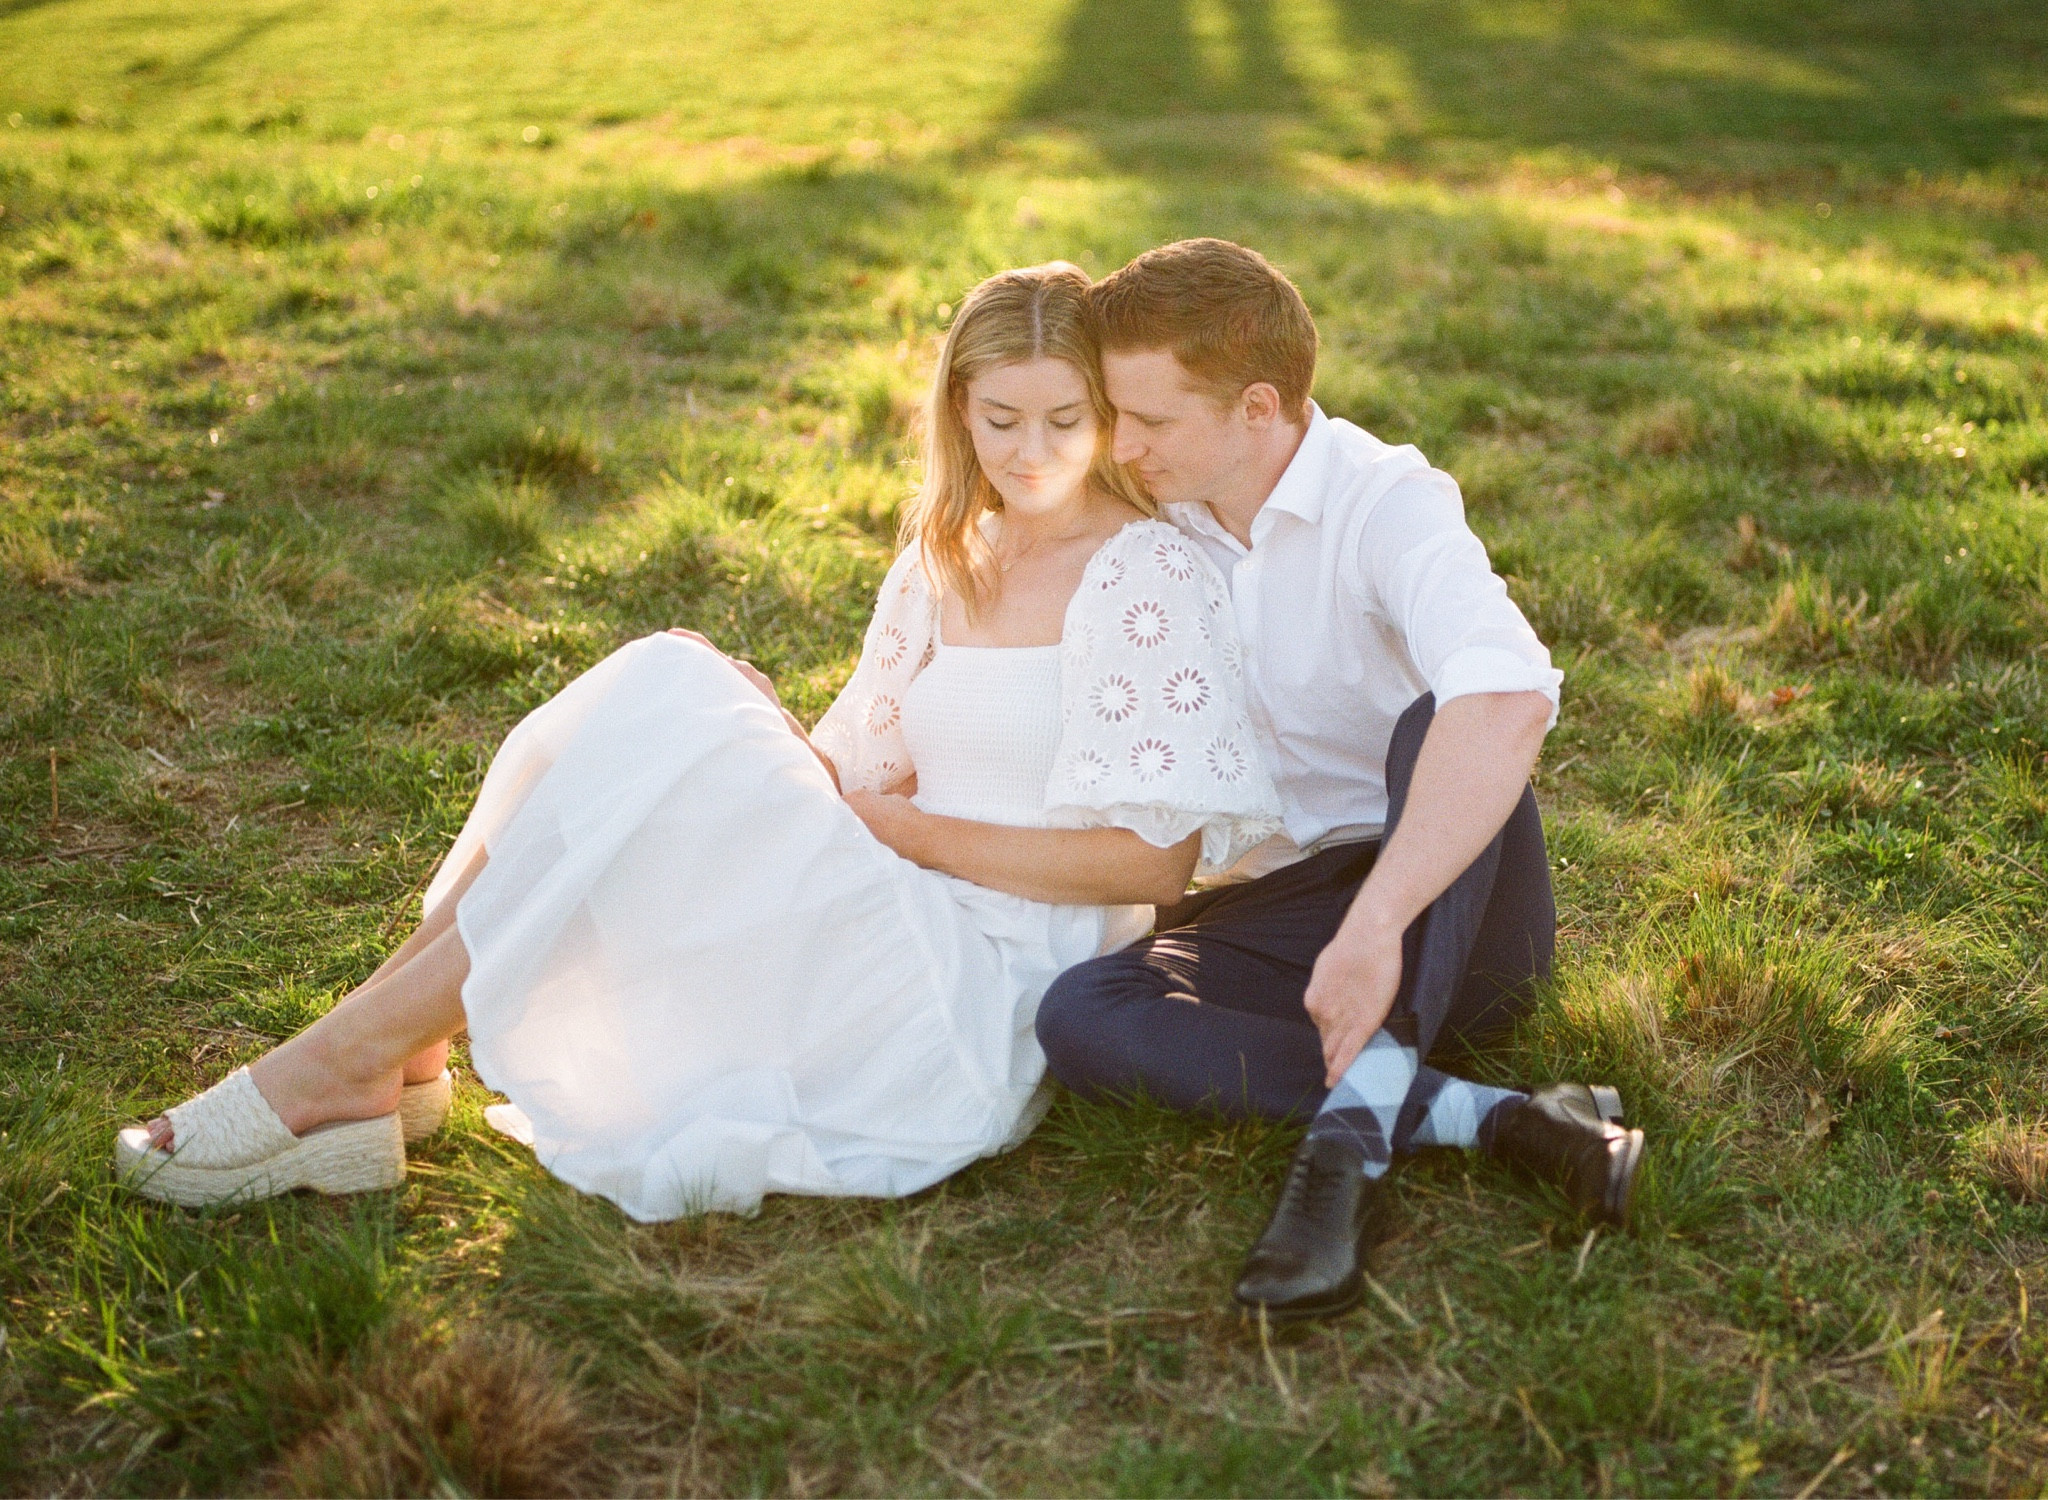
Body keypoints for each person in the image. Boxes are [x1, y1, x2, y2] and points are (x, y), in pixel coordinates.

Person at [114, 263, 1283, 1219]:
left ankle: (351, 1064)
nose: (1031, 453)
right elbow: (845, 780)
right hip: (897, 893)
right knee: (677, 672)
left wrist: (903, 830)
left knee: (678, 704)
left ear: (1107, 417)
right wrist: (759, 720)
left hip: (981, 993)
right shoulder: (944, 561)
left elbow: (1150, 865)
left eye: (1066, 422)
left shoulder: (1147, 574)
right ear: (956, 414)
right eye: (1000, 420)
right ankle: (381, 1054)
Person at [1033, 239, 1644, 1323]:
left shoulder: (1386, 502)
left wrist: (1375, 923)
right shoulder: (1147, 521)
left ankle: (1337, 1169)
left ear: (1257, 407)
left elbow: (1506, 701)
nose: (1120, 446)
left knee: (1438, 718)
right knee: (1085, 1013)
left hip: (1450, 894)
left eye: (1151, 419)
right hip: (1272, 911)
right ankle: (1497, 1119)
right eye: (1113, 414)